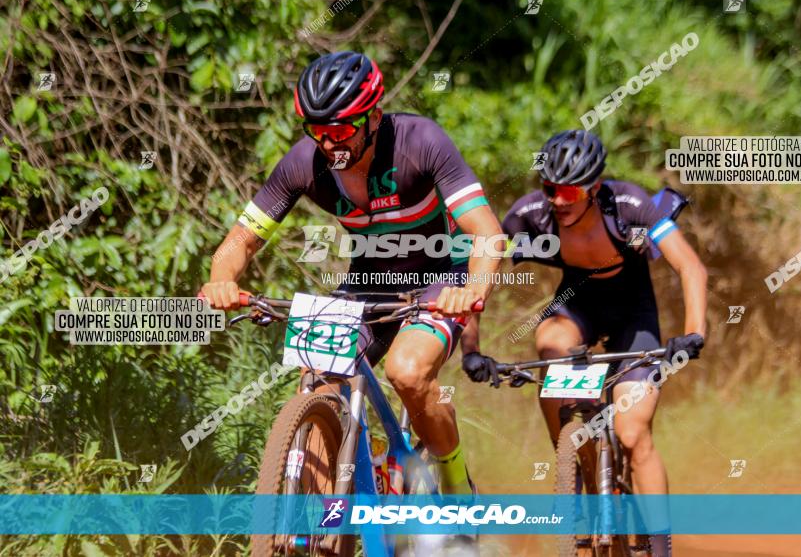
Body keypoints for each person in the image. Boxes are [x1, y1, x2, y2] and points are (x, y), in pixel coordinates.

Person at [200, 51, 504, 498]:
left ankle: (458, 481)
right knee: (317, 371)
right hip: (368, 283)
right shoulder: (305, 163)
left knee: (408, 371)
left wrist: (473, 289)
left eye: (340, 130)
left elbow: (487, 233)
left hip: (439, 277)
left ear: (374, 117)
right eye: (318, 131)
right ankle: (329, 526)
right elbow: (239, 240)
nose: (329, 143)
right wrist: (222, 277)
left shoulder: (420, 142)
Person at [460, 129, 707, 556]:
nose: (557, 199)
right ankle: (575, 466)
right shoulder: (532, 215)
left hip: (635, 315)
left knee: (633, 433)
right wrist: (471, 347)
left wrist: (693, 333)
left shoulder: (629, 205)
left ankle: (662, 548)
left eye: (569, 191)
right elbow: (482, 270)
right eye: (550, 188)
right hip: (577, 306)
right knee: (549, 341)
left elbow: (691, 268)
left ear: (594, 188)